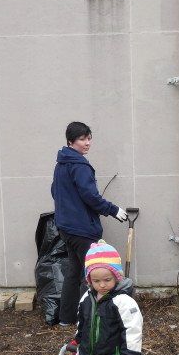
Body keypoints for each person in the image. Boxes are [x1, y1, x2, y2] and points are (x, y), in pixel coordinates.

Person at [51, 121, 128, 327]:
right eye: (82, 139)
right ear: (70, 141)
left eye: (89, 138)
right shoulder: (79, 165)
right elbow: (90, 196)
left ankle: (66, 319)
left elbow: (54, 192)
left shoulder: (61, 164)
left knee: (74, 272)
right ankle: (89, 319)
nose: (87, 143)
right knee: (93, 274)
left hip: (66, 228)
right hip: (82, 229)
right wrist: (113, 210)